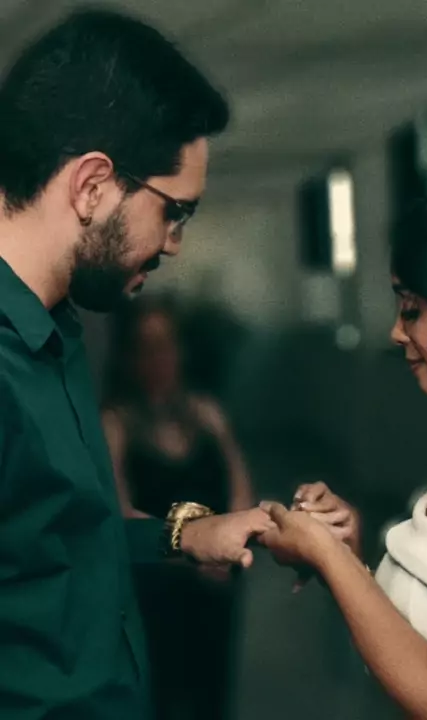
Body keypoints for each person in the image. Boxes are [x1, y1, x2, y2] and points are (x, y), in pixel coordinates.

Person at [0, 9, 272, 719]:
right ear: (92, 185)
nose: (175, 243)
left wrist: (187, 534)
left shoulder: (55, 332)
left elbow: (56, 545)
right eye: (175, 211)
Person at [260, 172, 427, 719]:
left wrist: (326, 556)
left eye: (412, 309)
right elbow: (421, 639)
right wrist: (350, 558)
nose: (395, 332)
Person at [102, 294, 254, 719]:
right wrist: (193, 551)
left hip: (215, 589)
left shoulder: (207, 414)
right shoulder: (116, 424)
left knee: (212, 698)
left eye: (167, 345)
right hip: (157, 597)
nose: (159, 359)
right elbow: (120, 513)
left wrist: (226, 552)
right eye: (146, 347)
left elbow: (240, 489)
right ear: (128, 356)